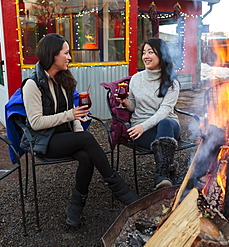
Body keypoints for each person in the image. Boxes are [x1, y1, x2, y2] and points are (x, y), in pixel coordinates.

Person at [21, 33, 140, 228]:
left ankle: (75, 206)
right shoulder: (32, 85)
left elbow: (75, 118)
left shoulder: (65, 79)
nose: (69, 57)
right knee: (85, 140)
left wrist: (77, 128)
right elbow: (36, 123)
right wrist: (71, 117)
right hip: (45, 141)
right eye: (66, 53)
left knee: (86, 156)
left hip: (64, 136)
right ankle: (119, 189)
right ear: (52, 55)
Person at [117, 38, 180, 190]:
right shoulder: (136, 79)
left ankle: (161, 174)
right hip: (142, 129)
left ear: (162, 55)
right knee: (163, 145)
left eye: (150, 52)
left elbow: (164, 111)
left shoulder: (171, 82)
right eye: (144, 52)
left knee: (165, 123)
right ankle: (166, 170)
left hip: (167, 126)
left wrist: (142, 126)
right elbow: (133, 106)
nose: (145, 56)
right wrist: (126, 103)